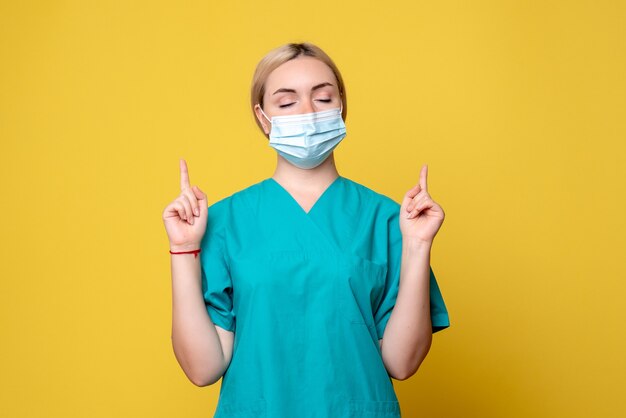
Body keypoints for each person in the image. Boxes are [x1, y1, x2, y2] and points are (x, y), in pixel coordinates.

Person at [162, 42, 450, 418]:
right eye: (287, 103)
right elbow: (202, 370)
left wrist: (417, 245)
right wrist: (183, 249)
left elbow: (402, 363)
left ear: (341, 106)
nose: (309, 113)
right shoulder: (222, 222)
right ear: (263, 117)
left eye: (323, 97)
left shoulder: (389, 221)